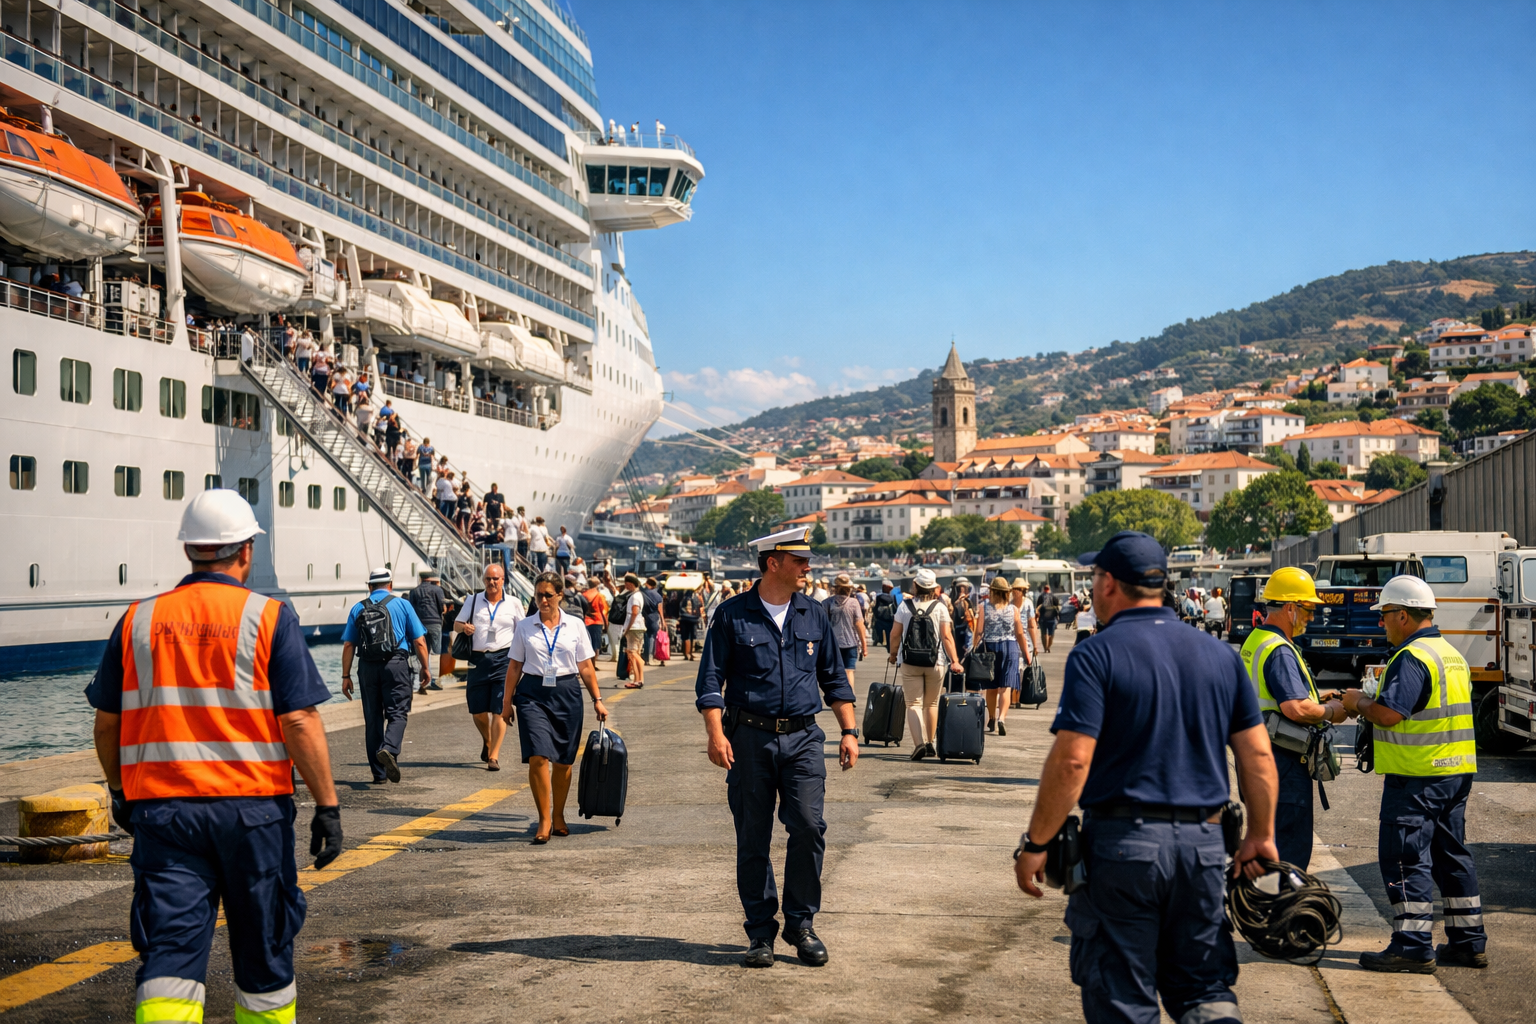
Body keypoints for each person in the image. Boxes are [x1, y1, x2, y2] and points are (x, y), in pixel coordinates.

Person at [86, 489, 341, 1024]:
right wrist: (327, 806)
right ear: (245, 551)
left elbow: (107, 723)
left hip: (166, 814)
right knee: (265, 959)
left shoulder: (137, 620)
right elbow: (298, 720)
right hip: (253, 815)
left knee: (170, 959)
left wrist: (117, 792)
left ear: (189, 551)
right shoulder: (269, 617)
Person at [1014, 531, 1279, 1024]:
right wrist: (1261, 836)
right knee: (1204, 989)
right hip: (1204, 845)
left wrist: (1037, 842)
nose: (1092, 587)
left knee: (1124, 998)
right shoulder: (1220, 655)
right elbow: (1258, 756)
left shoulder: (1098, 654)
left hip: (1124, 849)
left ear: (1109, 583)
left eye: (1094, 577)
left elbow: (1073, 760)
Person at [695, 526, 859, 968]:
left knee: (809, 826)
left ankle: (801, 925)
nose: (808, 568)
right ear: (774, 563)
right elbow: (710, 681)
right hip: (749, 738)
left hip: (805, 738)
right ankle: (760, 932)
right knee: (753, 836)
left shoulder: (814, 614)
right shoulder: (732, 615)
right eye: (800, 561)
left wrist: (849, 730)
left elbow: (834, 677)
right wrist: (716, 733)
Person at [1342, 575, 1487, 972]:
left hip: (1418, 777)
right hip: (1455, 772)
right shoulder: (1449, 653)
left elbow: (1390, 714)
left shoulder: (1411, 658)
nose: (1381, 623)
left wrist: (1357, 702)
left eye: (1384, 615)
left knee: (1404, 858)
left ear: (1403, 615)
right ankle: (1468, 941)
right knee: (1450, 855)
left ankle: (1411, 944)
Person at [1239, 567, 1343, 871]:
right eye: (1308, 610)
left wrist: (1317, 699)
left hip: (1258, 762)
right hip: (1282, 767)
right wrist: (1332, 711)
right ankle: (1280, 914)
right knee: (1288, 858)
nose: (1311, 618)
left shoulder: (1256, 640)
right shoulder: (1280, 650)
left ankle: (1263, 911)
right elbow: (1295, 709)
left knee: (1268, 852)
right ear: (1289, 608)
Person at [501, 571, 609, 842]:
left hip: (566, 694)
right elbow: (514, 666)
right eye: (539, 595)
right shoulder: (525, 627)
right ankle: (545, 818)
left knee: (563, 761)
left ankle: (559, 814)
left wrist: (597, 699)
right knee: (538, 756)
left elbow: (585, 665)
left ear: (560, 595)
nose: (543, 600)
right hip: (532, 695)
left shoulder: (574, 625)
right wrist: (506, 703)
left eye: (549, 595)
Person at [341, 567, 431, 784]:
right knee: (398, 713)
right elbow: (419, 641)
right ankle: (389, 748)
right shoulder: (402, 604)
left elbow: (348, 644)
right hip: (395, 665)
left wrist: (346, 676)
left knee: (372, 720)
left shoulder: (357, 608)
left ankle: (379, 775)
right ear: (390, 584)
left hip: (367, 668)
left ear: (369, 586)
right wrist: (425, 668)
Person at [454, 564, 524, 771]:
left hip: (504, 659)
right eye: (488, 579)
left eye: (496, 579)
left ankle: (493, 756)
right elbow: (456, 623)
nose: (492, 583)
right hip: (478, 660)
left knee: (499, 708)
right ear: (483, 581)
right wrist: (464, 627)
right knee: (477, 711)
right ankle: (487, 740)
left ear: (503, 580)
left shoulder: (514, 603)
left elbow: (521, 631)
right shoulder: (473, 600)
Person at [886, 569, 961, 761]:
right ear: (934, 588)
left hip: (909, 660)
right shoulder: (940, 607)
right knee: (931, 703)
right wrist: (955, 661)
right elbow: (946, 636)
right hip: (936, 661)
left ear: (915, 585)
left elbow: (895, 634)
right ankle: (931, 742)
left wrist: (893, 654)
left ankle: (919, 744)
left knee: (913, 703)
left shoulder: (904, 606)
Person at [976, 576, 1030, 736]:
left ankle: (992, 717)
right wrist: (1026, 652)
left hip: (990, 647)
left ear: (992, 591)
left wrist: (973, 649)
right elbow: (1019, 633)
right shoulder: (1013, 609)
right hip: (1010, 647)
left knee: (991, 687)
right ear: (1007, 592)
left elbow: (979, 631)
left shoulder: (983, 606)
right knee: (1005, 687)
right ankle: (1002, 719)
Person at [823, 573, 868, 691]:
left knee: (835, 672)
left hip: (832, 644)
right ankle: (850, 695)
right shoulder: (854, 603)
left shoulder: (827, 603)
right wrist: (864, 646)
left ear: (835, 588)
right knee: (849, 671)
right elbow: (859, 624)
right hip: (851, 643)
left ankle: (838, 696)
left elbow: (822, 626)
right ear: (849, 589)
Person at [407, 568, 448, 692]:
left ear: (421, 579)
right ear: (431, 578)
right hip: (435, 623)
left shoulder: (414, 591)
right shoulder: (437, 590)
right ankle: (434, 681)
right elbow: (443, 608)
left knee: (423, 651)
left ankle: (423, 680)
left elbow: (411, 609)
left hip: (420, 625)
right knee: (436, 651)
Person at [620, 573, 647, 687]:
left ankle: (638, 679)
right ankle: (638, 679)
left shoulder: (634, 596)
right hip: (638, 627)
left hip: (634, 627)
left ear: (630, 584)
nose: (625, 586)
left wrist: (627, 628)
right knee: (634, 653)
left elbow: (634, 612)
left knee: (632, 652)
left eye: (626, 583)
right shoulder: (638, 595)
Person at [580, 575, 609, 656]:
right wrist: (606, 625)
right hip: (597, 621)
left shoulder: (583, 595)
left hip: (585, 621)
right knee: (596, 646)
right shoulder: (600, 596)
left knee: (586, 644)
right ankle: (593, 664)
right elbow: (604, 612)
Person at [677, 583, 704, 661]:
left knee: (685, 636)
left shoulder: (684, 598)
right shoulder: (696, 598)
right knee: (693, 636)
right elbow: (699, 608)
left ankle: (686, 654)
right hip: (693, 619)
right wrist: (698, 618)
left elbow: (680, 608)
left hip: (684, 619)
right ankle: (691, 653)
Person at [871, 580, 897, 646]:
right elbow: (895, 607)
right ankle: (888, 643)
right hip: (889, 617)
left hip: (880, 617)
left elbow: (876, 606)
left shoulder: (879, 596)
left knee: (878, 629)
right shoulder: (892, 597)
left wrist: (875, 614)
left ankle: (879, 639)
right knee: (889, 630)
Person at [1036, 584, 1060, 653]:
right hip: (1052, 618)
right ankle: (1048, 646)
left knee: (1043, 634)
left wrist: (1037, 617)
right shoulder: (1054, 596)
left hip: (1042, 618)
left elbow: (1037, 607)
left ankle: (1045, 648)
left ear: (1044, 589)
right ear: (1049, 589)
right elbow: (1057, 606)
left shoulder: (1041, 597)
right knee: (1051, 634)